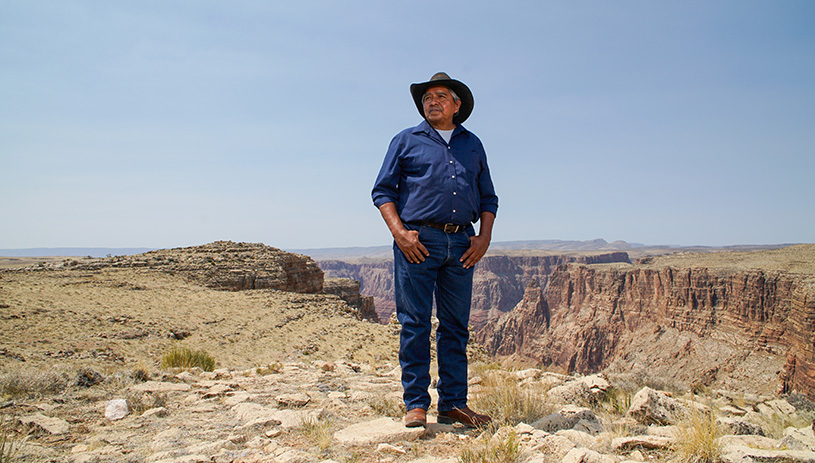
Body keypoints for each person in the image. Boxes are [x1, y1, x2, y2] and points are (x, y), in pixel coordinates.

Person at [371, 72, 498, 428]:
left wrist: (484, 238)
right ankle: (416, 403)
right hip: (418, 244)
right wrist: (400, 234)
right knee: (415, 324)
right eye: (427, 97)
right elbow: (382, 192)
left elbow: (488, 197)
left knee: (456, 327)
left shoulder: (472, 144)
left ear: (456, 105)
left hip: (462, 244)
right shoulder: (405, 140)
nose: (432, 101)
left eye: (441, 96)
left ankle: (454, 404)